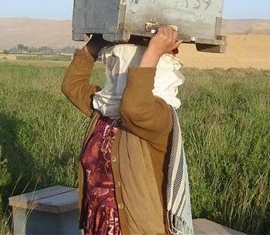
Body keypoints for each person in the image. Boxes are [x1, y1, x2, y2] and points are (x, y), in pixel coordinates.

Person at [61, 26, 194, 235]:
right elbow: (72, 86)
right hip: (100, 225)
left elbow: (134, 108)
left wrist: (153, 52)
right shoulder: (105, 111)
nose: (118, 74)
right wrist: (97, 41)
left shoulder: (159, 117)